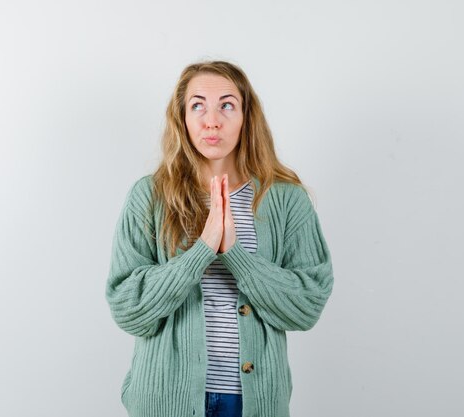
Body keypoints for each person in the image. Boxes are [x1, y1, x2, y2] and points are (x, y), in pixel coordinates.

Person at [105, 60, 334, 417]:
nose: (212, 120)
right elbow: (128, 308)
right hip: (165, 402)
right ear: (182, 118)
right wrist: (203, 250)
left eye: (227, 105)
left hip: (252, 404)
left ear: (246, 117)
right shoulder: (149, 196)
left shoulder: (286, 198)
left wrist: (235, 253)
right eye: (198, 105)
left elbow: (306, 305)